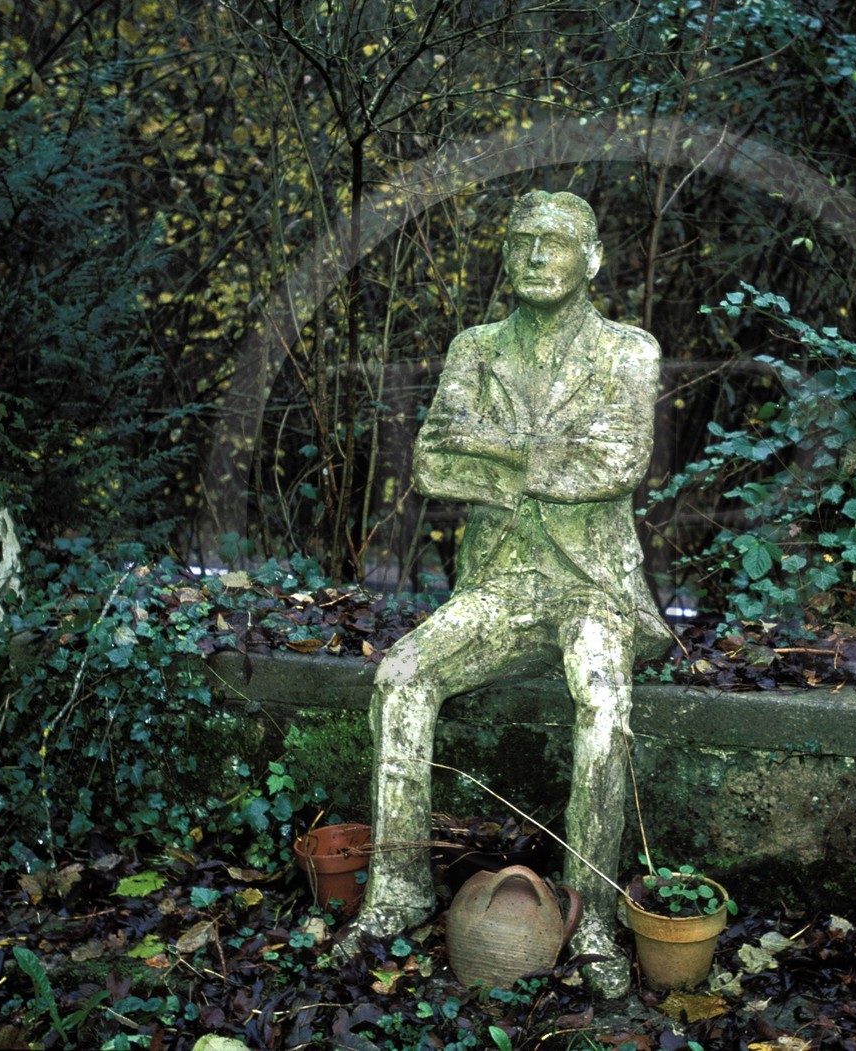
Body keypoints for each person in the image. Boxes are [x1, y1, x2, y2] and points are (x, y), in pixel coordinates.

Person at [344, 190, 669, 996]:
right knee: (401, 675)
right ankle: (399, 891)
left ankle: (589, 915)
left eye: (554, 242)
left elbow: (617, 463)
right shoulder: (476, 347)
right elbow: (434, 464)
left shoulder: (629, 351)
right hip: (502, 584)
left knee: (602, 702)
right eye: (522, 241)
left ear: (592, 259)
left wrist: (495, 451)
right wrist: (547, 459)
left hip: (593, 586)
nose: (535, 256)